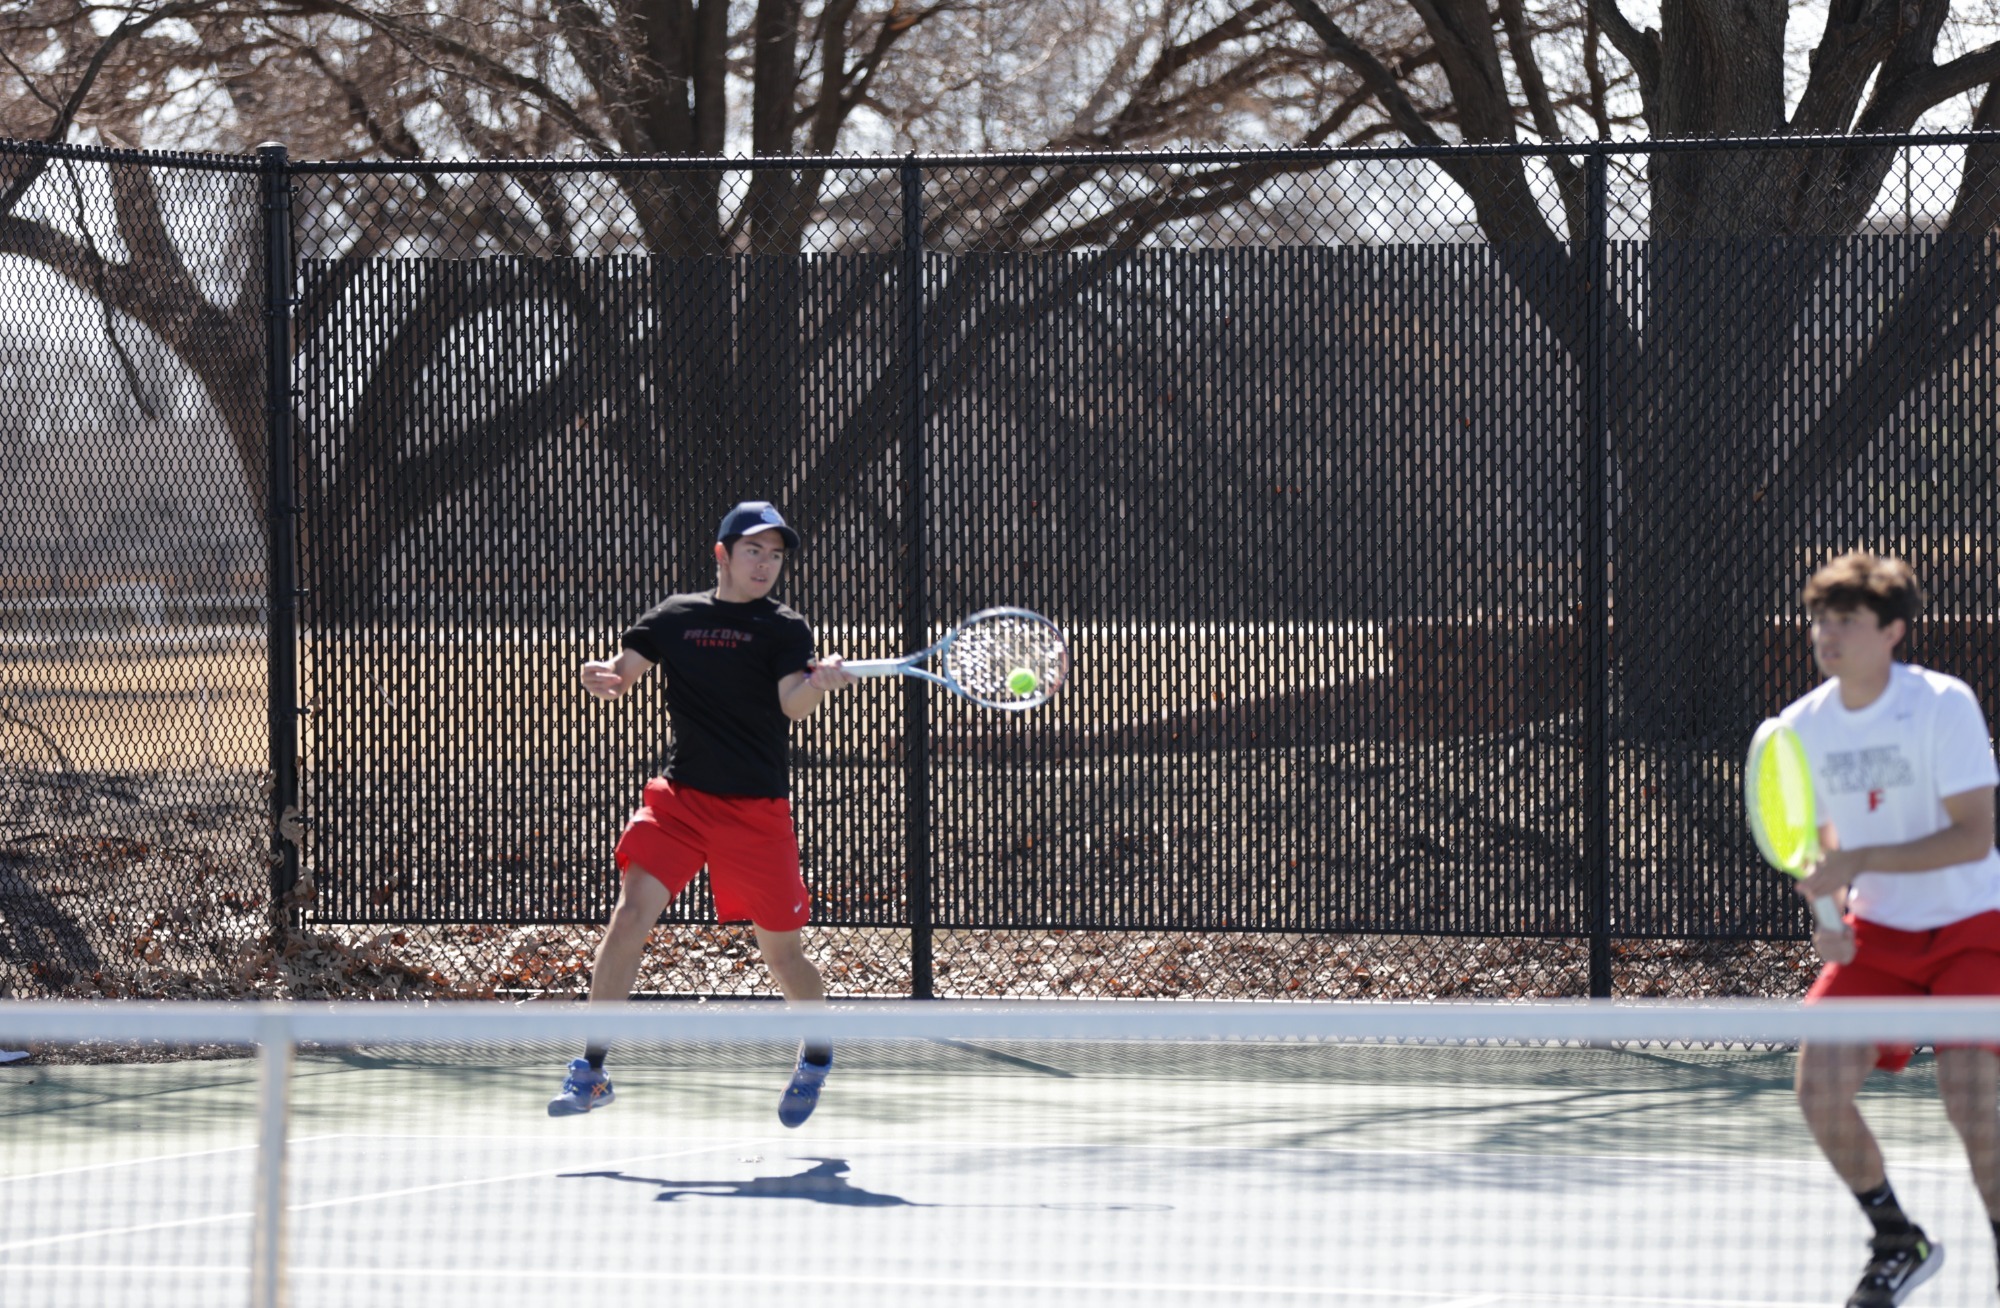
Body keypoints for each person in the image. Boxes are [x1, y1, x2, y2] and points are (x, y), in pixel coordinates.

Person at [548, 500, 855, 1126]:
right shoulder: (674, 617)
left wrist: (818, 684)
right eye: (753, 551)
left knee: (783, 956)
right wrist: (599, 676)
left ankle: (818, 1052)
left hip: (755, 811)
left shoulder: (785, 627)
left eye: (775, 555)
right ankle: (592, 1068)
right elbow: (622, 673)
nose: (765, 564)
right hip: (681, 801)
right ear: (722, 554)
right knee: (630, 914)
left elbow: (791, 704)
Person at [1786, 550, 2000, 1307]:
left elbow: (1974, 836)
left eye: (1847, 620)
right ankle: (1895, 1239)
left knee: (1971, 1100)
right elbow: (1821, 849)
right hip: (1879, 936)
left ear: (1892, 632)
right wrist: (1829, 918)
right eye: (1821, 619)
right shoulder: (1801, 727)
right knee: (1817, 1088)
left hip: (1973, 924)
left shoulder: (1943, 705)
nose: (1828, 634)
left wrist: (1861, 861)